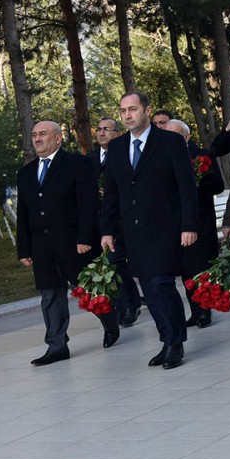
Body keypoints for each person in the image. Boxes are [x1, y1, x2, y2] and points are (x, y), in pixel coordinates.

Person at [101, 92, 198, 370]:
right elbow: (112, 193)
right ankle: (166, 338)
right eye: (123, 111)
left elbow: (186, 187)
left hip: (165, 228)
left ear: (146, 110)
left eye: (133, 109)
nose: (127, 115)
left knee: (161, 284)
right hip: (133, 232)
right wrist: (107, 230)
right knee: (149, 288)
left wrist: (189, 225)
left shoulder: (170, 142)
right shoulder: (117, 148)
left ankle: (174, 343)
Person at [18, 121, 103, 365]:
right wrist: (24, 249)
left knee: (88, 290)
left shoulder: (77, 163)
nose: (37, 139)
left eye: (43, 134)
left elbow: (88, 205)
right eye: (34, 135)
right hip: (41, 245)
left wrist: (85, 238)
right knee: (50, 296)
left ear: (58, 138)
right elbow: (23, 214)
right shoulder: (26, 172)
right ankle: (56, 346)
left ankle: (110, 322)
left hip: (73, 243)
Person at [165, 119, 224, 329]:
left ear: (186, 136)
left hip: (200, 221)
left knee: (200, 268)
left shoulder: (202, 156)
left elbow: (218, 184)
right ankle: (195, 311)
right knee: (186, 270)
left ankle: (205, 310)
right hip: (176, 223)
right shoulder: (165, 157)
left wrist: (195, 182)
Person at [89, 117, 142, 327]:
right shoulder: (89, 159)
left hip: (124, 218)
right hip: (101, 221)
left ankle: (131, 304)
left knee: (117, 263)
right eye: (99, 129)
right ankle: (124, 304)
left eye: (107, 129)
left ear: (118, 133)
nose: (102, 133)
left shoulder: (125, 153)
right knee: (111, 264)